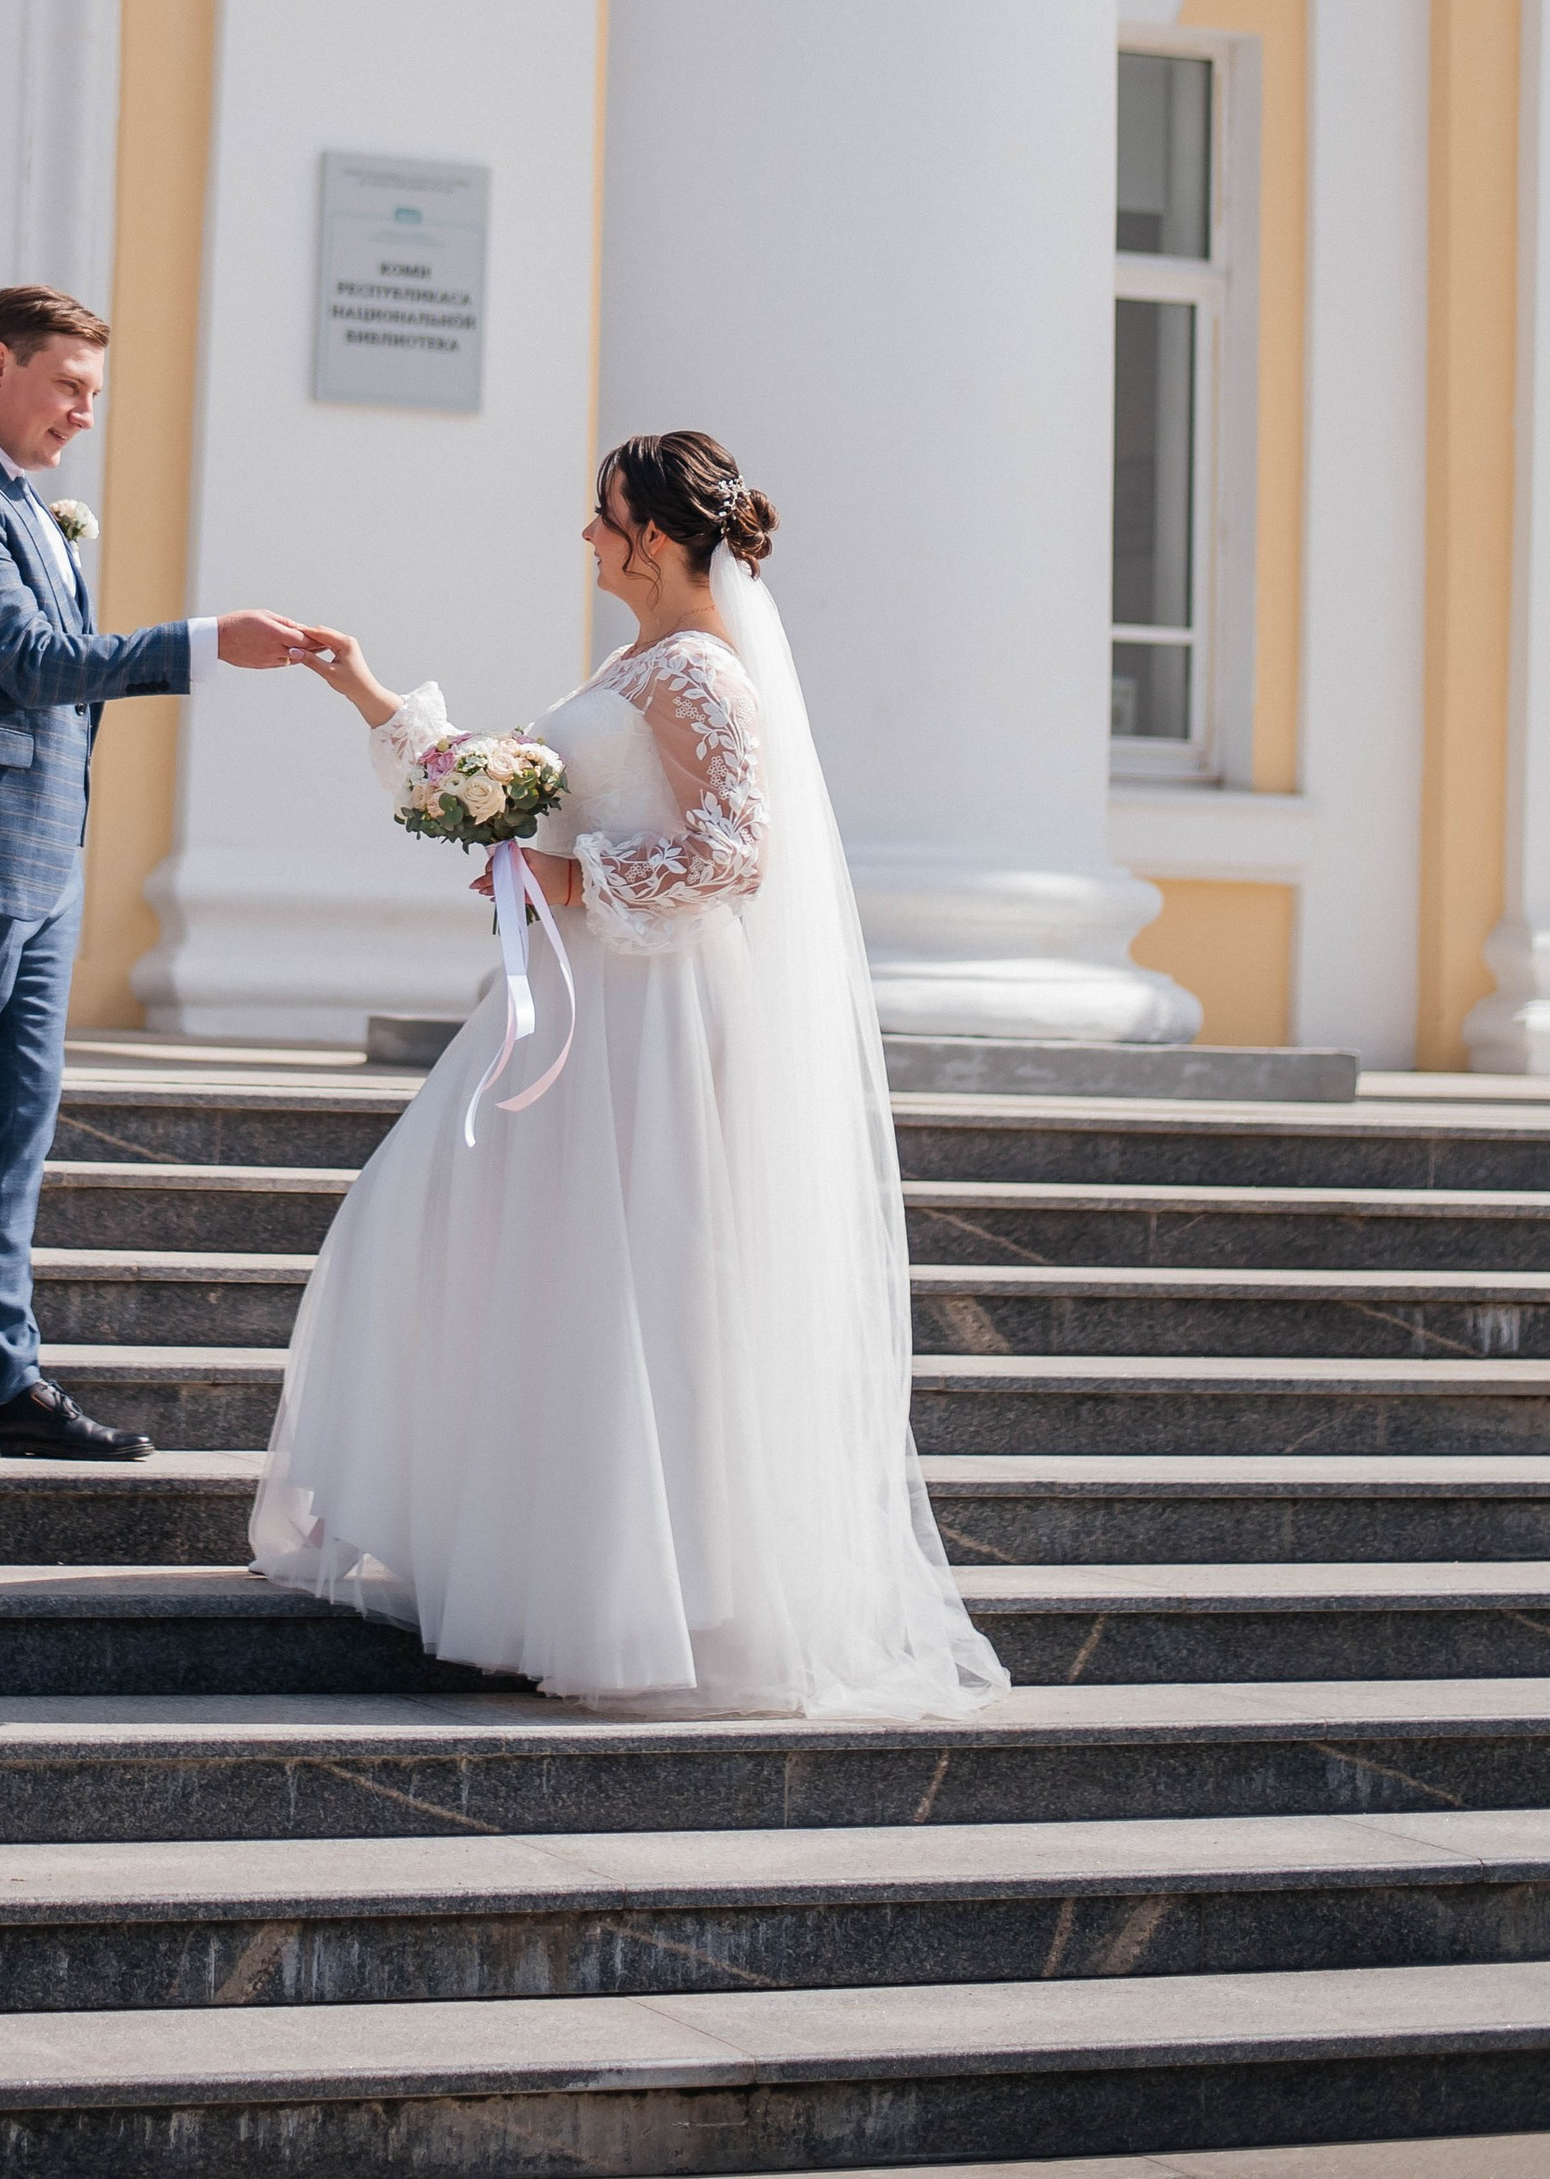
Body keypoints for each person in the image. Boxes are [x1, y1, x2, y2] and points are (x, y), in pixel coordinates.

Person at [262, 430, 1007, 1717]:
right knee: (478, 1240)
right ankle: (522, 1559)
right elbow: (515, 785)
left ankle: (632, 1591)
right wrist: (371, 693)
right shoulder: (635, 662)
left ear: (653, 535)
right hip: (576, 1002)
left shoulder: (702, 671)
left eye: (601, 515)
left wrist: (565, 880)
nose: (588, 536)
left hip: (647, 1013)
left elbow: (733, 850)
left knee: (624, 1282)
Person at [0, 284, 307, 1468]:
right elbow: (30, 660)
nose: (83, 415)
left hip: (40, 858)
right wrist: (204, 642)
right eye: (69, 387)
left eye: (93, 394)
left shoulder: (17, 496)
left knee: (13, 1129)